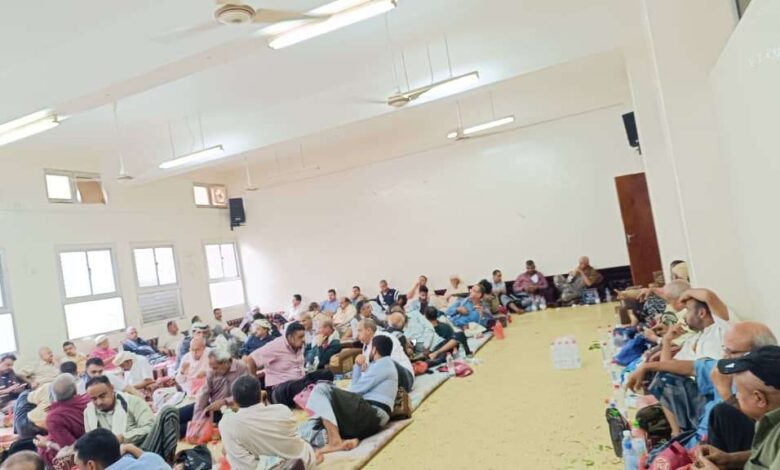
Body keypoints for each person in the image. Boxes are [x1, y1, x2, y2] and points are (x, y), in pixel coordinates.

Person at [626, 288, 730, 436]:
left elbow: (708, 295)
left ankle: (677, 433)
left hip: (714, 398)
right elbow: (666, 367)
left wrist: (685, 294)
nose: (684, 316)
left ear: (701, 313)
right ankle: (677, 432)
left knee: (663, 381)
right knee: (645, 416)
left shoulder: (721, 330)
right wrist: (667, 341)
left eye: (687, 310)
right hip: (691, 397)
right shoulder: (695, 339)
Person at [303, 335, 398, 454]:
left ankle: (335, 442)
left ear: (374, 350)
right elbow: (357, 388)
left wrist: (335, 394)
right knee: (311, 425)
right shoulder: (383, 365)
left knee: (321, 389)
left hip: (372, 413)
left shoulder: (383, 364)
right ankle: (347, 440)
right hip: (368, 418)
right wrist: (357, 366)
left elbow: (355, 390)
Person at [694, 345, 780, 470]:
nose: (736, 397)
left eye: (738, 391)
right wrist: (730, 460)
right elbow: (767, 456)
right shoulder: (769, 422)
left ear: (759, 398)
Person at [703, 322, 777, 454]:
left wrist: (725, 393)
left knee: (723, 412)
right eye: (724, 349)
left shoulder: (764, 375)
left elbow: (763, 434)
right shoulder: (723, 369)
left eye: (731, 352)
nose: (725, 356)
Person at [219, 376, 321, 470]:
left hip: (271, 465)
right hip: (303, 459)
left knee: (229, 451)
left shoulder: (227, 423)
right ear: (261, 393)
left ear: (235, 401)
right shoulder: (282, 410)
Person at [247, 322, 333, 408]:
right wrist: (256, 389)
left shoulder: (299, 345)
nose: (303, 339)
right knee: (297, 386)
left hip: (300, 382)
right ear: (290, 337)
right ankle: (312, 395)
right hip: (279, 390)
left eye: (304, 336)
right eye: (300, 337)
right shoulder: (275, 346)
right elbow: (250, 360)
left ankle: (311, 395)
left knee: (326, 373)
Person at [178, 346, 248, 437]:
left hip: (229, 412)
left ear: (226, 362)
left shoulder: (241, 368)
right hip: (210, 406)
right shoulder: (211, 371)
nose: (213, 371)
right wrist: (197, 417)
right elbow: (204, 394)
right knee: (174, 416)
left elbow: (246, 394)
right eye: (211, 367)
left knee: (181, 429)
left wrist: (224, 402)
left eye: (215, 368)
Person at [33, 373, 90, 466]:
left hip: (72, 460)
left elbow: (71, 451)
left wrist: (47, 443)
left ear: (53, 394)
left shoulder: (54, 417)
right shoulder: (88, 399)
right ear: (75, 390)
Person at [83, 376, 155, 446]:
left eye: (102, 396)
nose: (99, 402)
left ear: (112, 388)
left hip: (139, 448)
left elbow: (150, 427)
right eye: (94, 399)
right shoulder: (88, 412)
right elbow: (90, 439)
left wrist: (123, 438)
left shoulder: (133, 402)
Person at [356, 319, 413, 392]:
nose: (357, 334)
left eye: (359, 330)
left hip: (404, 377)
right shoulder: (366, 344)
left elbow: (389, 364)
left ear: (368, 330)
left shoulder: (385, 338)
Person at [74, 428, 170, 470]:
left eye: (80, 467)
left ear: (91, 466)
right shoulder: (154, 460)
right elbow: (147, 457)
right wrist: (129, 447)